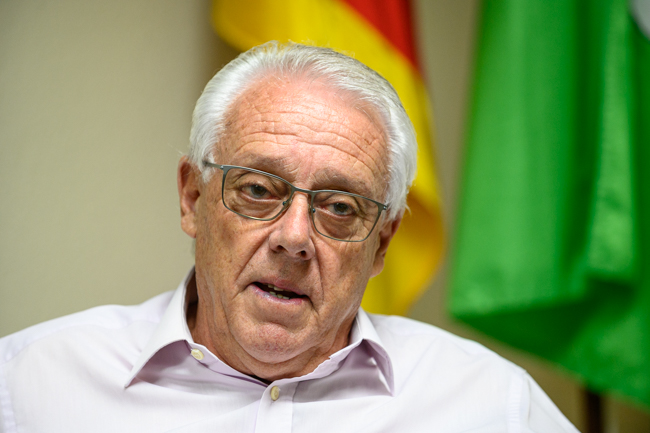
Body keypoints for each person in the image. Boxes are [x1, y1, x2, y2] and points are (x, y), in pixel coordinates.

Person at [0, 42, 579, 432]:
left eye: (340, 207)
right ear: (193, 198)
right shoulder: (29, 384)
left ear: (381, 244)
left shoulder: (493, 405)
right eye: (257, 189)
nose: (294, 237)